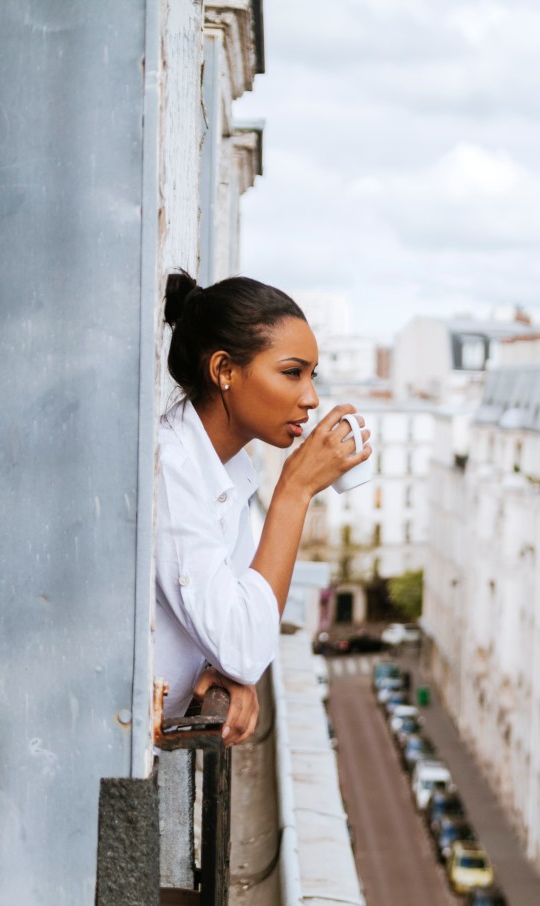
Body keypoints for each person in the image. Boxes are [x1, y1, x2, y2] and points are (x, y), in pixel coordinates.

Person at [155, 271, 370, 744]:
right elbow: (247, 646)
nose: (310, 398)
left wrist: (223, 670)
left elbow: (237, 623)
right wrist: (295, 489)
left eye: (312, 376)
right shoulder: (170, 469)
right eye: (292, 373)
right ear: (224, 371)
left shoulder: (227, 466)